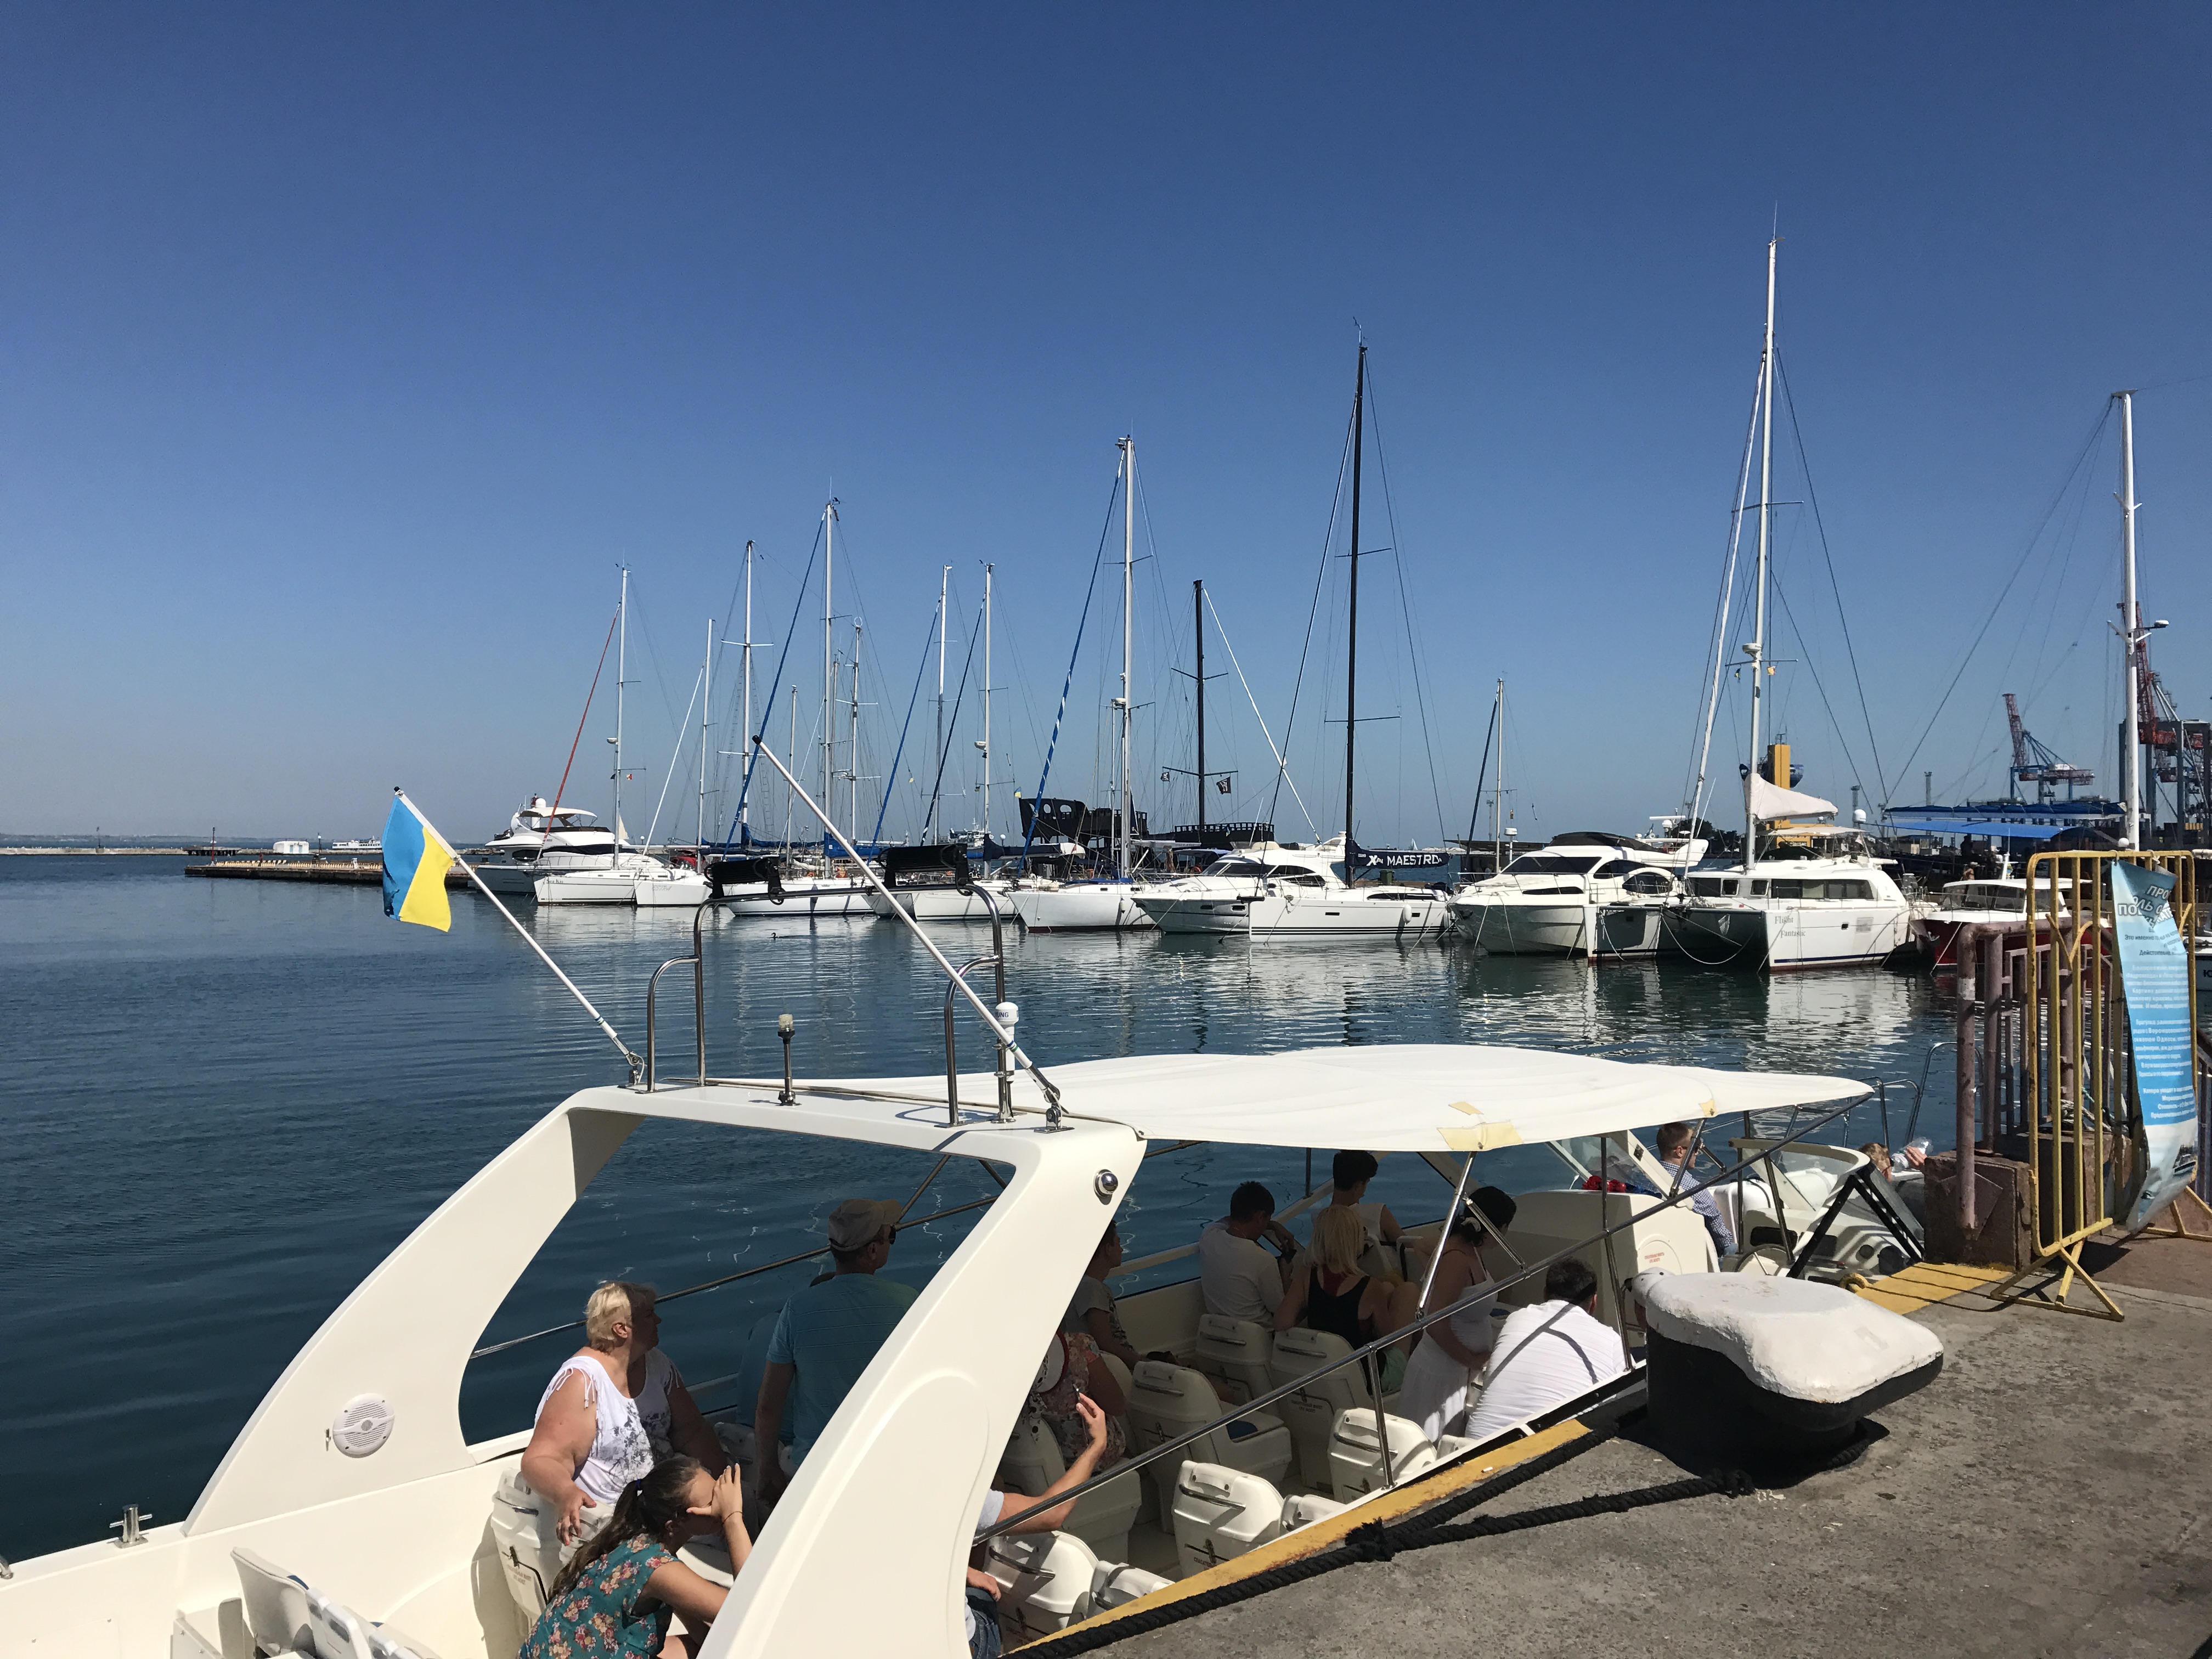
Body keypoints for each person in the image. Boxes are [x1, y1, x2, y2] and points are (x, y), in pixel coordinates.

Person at [521, 1282, 728, 1550]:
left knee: (745, 1512)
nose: (659, 1320)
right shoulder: (582, 1382)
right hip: (619, 1523)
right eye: (649, 1315)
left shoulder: (657, 1364)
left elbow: (692, 1431)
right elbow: (540, 1460)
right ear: (621, 1329)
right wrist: (566, 1493)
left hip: (670, 1509)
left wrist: (722, 1481)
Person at [755, 1199, 916, 1504]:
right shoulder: (908, 1303)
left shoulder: (797, 1309)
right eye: (890, 1236)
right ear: (872, 1250)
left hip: (816, 1468)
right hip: (888, 1459)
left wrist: (768, 1469)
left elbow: (769, 1405)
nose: (891, 1242)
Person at [522, 1457, 750, 1659]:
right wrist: (732, 1518)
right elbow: (749, 1607)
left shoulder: (632, 1543)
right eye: (713, 1503)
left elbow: (702, 1634)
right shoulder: (658, 1569)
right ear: (673, 1525)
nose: (721, 1505)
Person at [965, 1396, 1111, 1658]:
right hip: (960, 1641)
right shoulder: (953, 1493)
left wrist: (964, 1572)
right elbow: (1051, 1513)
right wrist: (1097, 1445)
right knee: (983, 1601)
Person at [1460, 1258, 1629, 1445]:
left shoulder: (1517, 1319)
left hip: (1476, 1446)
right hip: (1552, 1452)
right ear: (1594, 1302)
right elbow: (1631, 1398)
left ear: (1545, 1293)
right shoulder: (1612, 1341)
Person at [1396, 1186, 1516, 1441]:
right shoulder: (1457, 1259)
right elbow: (1434, 1323)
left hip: (1454, 1373)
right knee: (1432, 1448)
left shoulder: (1470, 1250)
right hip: (1440, 1377)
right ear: (1499, 1226)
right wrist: (1471, 1360)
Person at [1273, 1206, 1406, 1391]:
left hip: (1325, 1370)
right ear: (1354, 1239)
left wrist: (1312, 1306)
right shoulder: (1369, 1286)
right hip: (1367, 1376)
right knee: (1408, 1291)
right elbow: (1387, 1337)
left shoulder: (1306, 1277)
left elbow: (1281, 1322)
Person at [1027, 1327, 1128, 1468]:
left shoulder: (1006, 1361)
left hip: (1044, 1464)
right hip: (1094, 1460)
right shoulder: (1080, 1346)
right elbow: (1116, 1406)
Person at [1198, 1182, 1295, 1321]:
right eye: (1267, 1219)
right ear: (1260, 1217)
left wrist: (1273, 1225)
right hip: (1260, 1331)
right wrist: (1285, 1275)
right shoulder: (1263, 1260)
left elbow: (1225, 1221)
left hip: (1217, 1329)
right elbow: (1281, 1311)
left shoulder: (1209, 1236)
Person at [1062, 1224, 1143, 1370]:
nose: (1121, 1249)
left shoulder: (1087, 1285)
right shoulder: (1092, 1288)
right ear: (1108, 1249)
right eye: (1118, 1243)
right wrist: (1144, 1365)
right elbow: (1105, 1343)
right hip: (1117, 1368)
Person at [1654, 1122, 1736, 1258]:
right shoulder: (1695, 1191)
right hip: (1696, 1254)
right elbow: (1722, 1242)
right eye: (1695, 1147)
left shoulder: (1643, 1178)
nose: (1697, 1153)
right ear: (1680, 1151)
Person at [1327, 1150, 1403, 1248]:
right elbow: (1406, 1245)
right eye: (1366, 1183)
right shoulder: (1377, 1214)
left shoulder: (1321, 1220)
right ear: (1358, 1187)